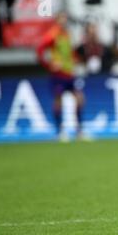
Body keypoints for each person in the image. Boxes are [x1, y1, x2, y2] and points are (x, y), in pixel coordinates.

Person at [36, 12, 86, 142]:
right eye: (62, 19)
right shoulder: (52, 34)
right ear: (57, 20)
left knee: (80, 98)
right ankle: (59, 131)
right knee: (59, 101)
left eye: (65, 19)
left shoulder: (67, 34)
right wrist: (49, 65)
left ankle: (79, 130)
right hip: (58, 74)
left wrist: (76, 60)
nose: (64, 21)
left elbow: (70, 52)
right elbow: (40, 50)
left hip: (69, 73)